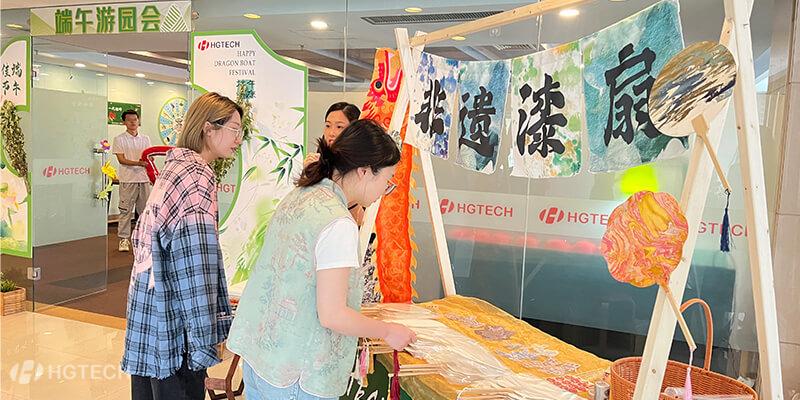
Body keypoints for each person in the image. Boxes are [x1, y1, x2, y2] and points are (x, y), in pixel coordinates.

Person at [226, 119, 416, 400]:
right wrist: (388, 331)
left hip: (264, 358)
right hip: (296, 374)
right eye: (386, 181)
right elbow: (333, 314)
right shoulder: (337, 223)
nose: (383, 192)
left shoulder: (304, 193)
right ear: (364, 171)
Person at [121, 92, 243, 400]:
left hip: (150, 308)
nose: (239, 139)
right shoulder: (198, 177)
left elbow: (143, 238)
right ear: (208, 128)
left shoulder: (175, 168)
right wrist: (204, 336)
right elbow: (194, 264)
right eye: (234, 129)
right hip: (176, 319)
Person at [112, 110, 152, 252]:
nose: (133, 122)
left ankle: (143, 238)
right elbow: (121, 160)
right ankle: (124, 239)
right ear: (124, 122)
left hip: (144, 179)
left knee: (145, 212)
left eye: (135, 119)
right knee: (125, 211)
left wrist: (149, 162)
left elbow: (149, 157)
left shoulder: (145, 139)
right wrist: (139, 163)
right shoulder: (119, 139)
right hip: (128, 180)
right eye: (129, 120)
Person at [303, 101, 360, 167]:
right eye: (328, 126)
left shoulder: (361, 165)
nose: (331, 133)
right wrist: (309, 170)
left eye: (339, 127)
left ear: (354, 130)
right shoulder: (319, 159)